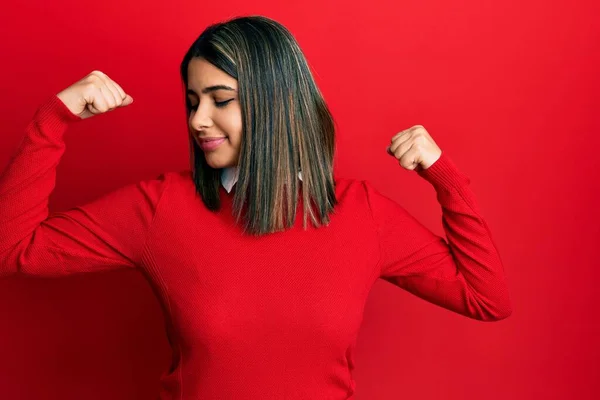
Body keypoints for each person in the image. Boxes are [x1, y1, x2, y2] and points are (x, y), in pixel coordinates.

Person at [0, 15, 512, 400]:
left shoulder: (360, 214)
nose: (198, 119)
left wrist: (443, 175)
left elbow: (487, 299)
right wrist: (53, 119)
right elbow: (14, 250)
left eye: (220, 99)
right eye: (192, 100)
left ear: (275, 102)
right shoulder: (160, 209)